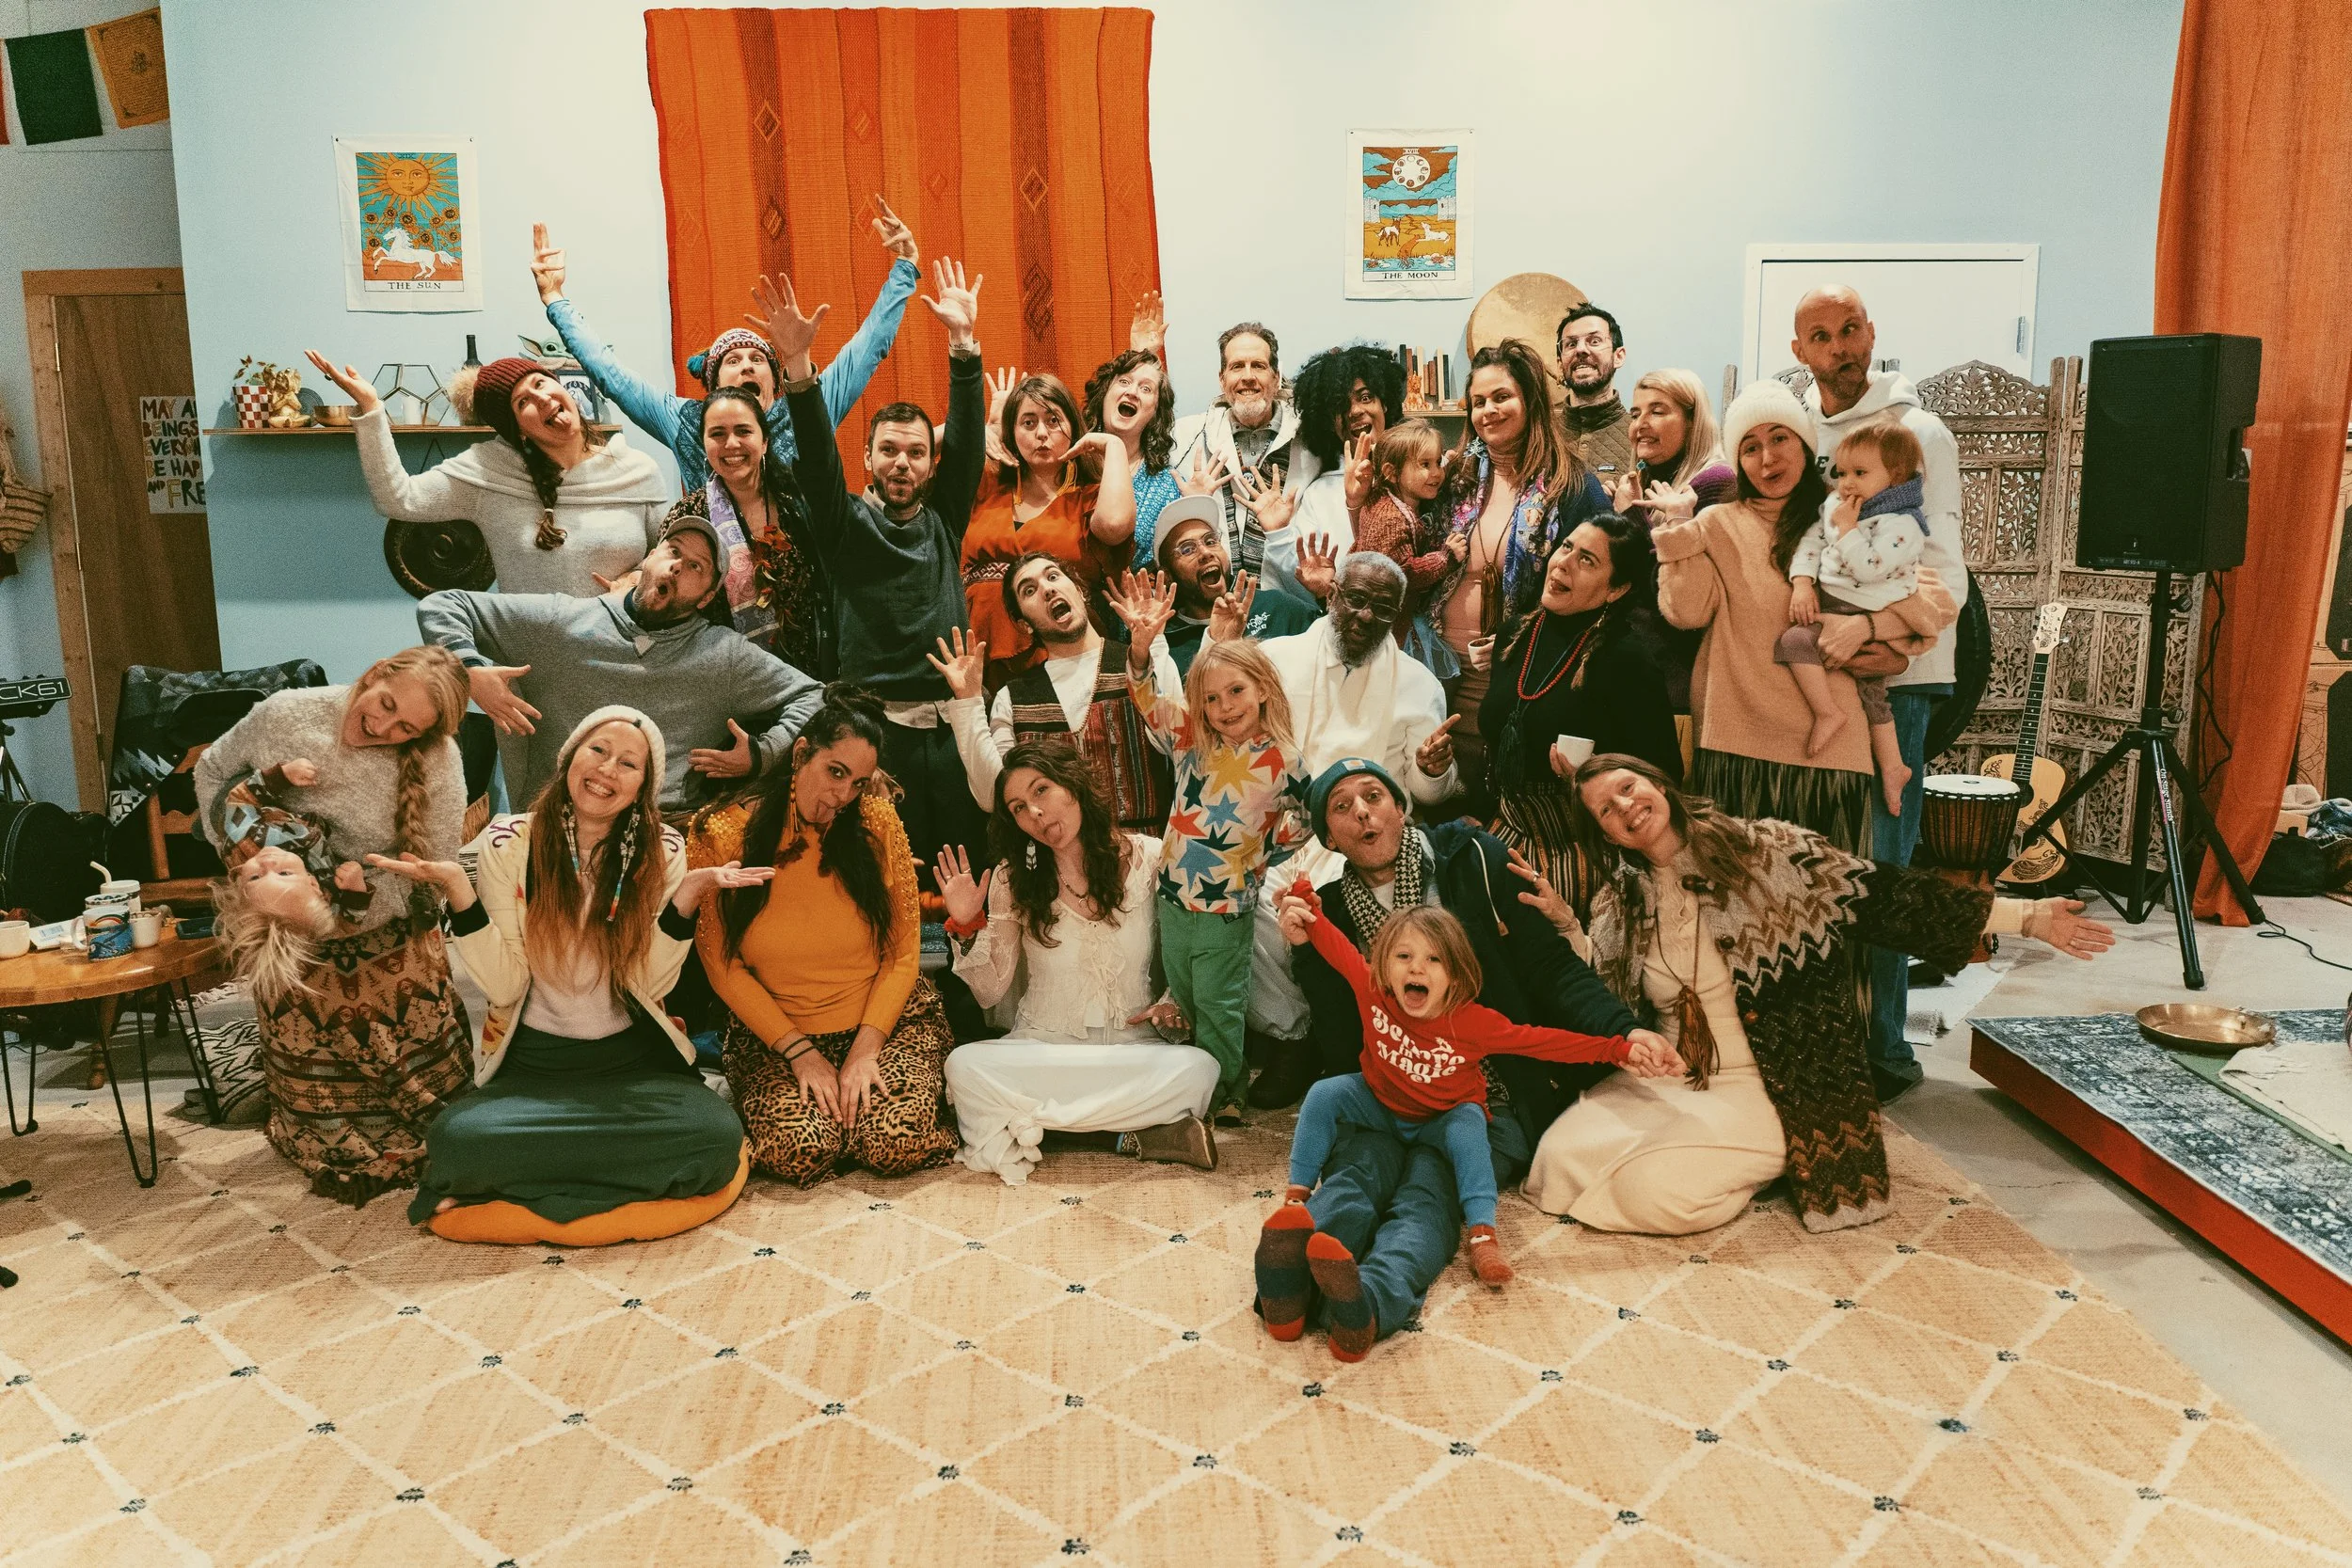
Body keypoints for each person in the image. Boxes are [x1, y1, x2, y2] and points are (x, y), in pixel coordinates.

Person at [1523, 755, 2113, 1235]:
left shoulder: (1765, 852)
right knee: (1559, 1158)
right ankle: (1713, 1150)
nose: (1626, 807)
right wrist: (1567, 928)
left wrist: (2028, 916)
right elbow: (1605, 993)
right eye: (1606, 808)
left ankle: (1778, 1149)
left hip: (1776, 1079)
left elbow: (1887, 897)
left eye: (1629, 787)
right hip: (1677, 1077)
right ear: (1601, 830)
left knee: (1653, 1193)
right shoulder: (1621, 899)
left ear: (1659, 784)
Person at [1256, 756, 1651, 1350]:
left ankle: (1371, 1300)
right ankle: (1286, 1285)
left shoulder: (1474, 861)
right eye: (1341, 807)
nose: (1362, 812)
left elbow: (1549, 968)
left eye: (1373, 796)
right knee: (1355, 1176)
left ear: (1400, 804)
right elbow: (1340, 1043)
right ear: (1329, 836)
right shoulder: (1331, 911)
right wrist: (1305, 952)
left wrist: (1623, 1033)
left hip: (1482, 1100)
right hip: (1390, 1089)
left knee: (1427, 1194)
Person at [363, 708, 768, 1243]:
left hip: (633, 1066)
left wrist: (687, 897)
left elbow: (649, 984)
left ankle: (527, 1191)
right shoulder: (509, 841)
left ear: (643, 785)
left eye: (629, 763)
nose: (607, 770)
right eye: (597, 750)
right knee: (455, 1140)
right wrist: (460, 896)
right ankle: (611, 1186)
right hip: (534, 1067)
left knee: (714, 1136)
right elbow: (505, 987)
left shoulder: (663, 848)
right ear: (570, 756)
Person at [1271, 891, 1661, 1319]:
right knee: (1325, 1093)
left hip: (1441, 1117)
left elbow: (1543, 1042)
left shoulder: (1473, 1022)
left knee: (1471, 1122)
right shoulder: (1372, 991)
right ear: (1383, 966)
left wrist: (1616, 1048)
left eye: (1434, 960)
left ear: (1455, 977)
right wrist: (1313, 911)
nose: (1417, 967)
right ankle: (1296, 1200)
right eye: (1403, 956)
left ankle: (1482, 1234)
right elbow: (1336, 947)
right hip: (1381, 1104)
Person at [194, 645, 475, 1208]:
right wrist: (243, 852)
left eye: (405, 728)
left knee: (428, 1093)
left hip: (382, 915)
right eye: (386, 703)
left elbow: (430, 869)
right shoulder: (286, 714)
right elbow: (213, 773)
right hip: (286, 905)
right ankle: (310, 1123)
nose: (384, 726)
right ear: (374, 673)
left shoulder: (439, 760)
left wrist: (345, 911)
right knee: (296, 971)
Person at [1792, 285, 1969, 1103]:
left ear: (1873, 332)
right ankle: (1825, 1037)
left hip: (1902, 672)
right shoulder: (1797, 434)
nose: (1840, 347)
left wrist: (1874, 632)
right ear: (1801, 350)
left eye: (1851, 328)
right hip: (1813, 674)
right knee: (1819, 864)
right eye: (1821, 335)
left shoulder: (1916, 432)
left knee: (1882, 867)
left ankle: (1884, 1051)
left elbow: (1947, 569)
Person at [1651, 379, 1949, 858]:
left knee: (1825, 917)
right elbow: (1686, 612)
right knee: (1740, 914)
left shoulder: (1849, 512)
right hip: (1736, 745)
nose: (1768, 458)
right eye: (1750, 447)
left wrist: (1867, 628)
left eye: (1780, 438)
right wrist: (1673, 530)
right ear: (1737, 460)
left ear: (1806, 443)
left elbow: (1934, 606)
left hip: (1832, 756)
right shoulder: (1717, 523)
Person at [691, 686, 959, 1184]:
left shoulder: (876, 821)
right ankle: (826, 1122)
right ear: (800, 753)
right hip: (777, 1037)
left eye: (858, 782)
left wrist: (865, 1049)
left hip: (888, 1024)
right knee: (801, 1151)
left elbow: (903, 954)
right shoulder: (723, 833)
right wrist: (800, 1054)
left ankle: (875, 1121)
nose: (843, 795)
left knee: (895, 1142)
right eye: (835, 772)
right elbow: (721, 964)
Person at [774, 260, 991, 874]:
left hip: (952, 726)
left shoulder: (946, 518)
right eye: (889, 450)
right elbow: (816, 460)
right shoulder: (843, 525)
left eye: (916, 452)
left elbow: (970, 442)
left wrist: (963, 345)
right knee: (878, 875)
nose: (902, 462)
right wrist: (797, 369)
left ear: (931, 462)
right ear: (867, 458)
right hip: (869, 731)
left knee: (958, 871)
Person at [935, 739, 1221, 1184]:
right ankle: (1124, 1135)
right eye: (1017, 807)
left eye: (1041, 790)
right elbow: (991, 991)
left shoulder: (1151, 856)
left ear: (1073, 783)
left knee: (1200, 1069)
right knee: (964, 1066)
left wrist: (1171, 1002)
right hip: (1042, 1050)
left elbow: (1184, 958)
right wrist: (968, 924)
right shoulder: (1014, 879)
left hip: (1135, 1052)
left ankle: (1043, 1128)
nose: (1034, 813)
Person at [416, 513, 823, 812]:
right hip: (556, 822)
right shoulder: (564, 621)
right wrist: (467, 670)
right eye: (673, 552)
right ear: (649, 557)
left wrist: (761, 753)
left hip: (664, 830)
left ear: (706, 597)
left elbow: (815, 697)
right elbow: (443, 605)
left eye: (696, 567)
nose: (678, 565)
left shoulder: (724, 655)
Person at [1241, 550, 1464, 1094]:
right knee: (1239, 900)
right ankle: (1292, 1037)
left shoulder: (1417, 683)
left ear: (1396, 615)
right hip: (1282, 829)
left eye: (1381, 608)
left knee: (1322, 908)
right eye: (1355, 600)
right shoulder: (1275, 659)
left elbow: (1423, 790)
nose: (1364, 616)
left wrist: (1435, 769)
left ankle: (1346, 1042)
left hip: (1370, 839)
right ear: (1332, 594)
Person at [529, 204, 920, 488]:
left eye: (758, 359)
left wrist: (905, 267)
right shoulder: (684, 421)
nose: (747, 366)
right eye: (733, 360)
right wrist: (555, 300)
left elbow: (868, 350)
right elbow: (610, 375)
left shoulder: (807, 412)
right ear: (714, 382)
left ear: (775, 378)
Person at [1110, 576, 1311, 1115]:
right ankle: (1196, 1081)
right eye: (1213, 698)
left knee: (1222, 1004)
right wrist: (1138, 647)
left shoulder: (1284, 759)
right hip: (1173, 896)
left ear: (1263, 688)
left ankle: (1225, 1093)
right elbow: (1151, 700)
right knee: (1187, 997)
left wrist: (1268, 847)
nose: (1224, 707)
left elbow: (1315, 816)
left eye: (1236, 692)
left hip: (1228, 905)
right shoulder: (1195, 740)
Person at [309, 351, 668, 598]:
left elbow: (668, 554)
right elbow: (397, 498)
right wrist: (371, 409)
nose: (540, 399)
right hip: (531, 663)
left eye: (540, 384)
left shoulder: (636, 470)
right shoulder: (490, 469)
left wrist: (637, 578)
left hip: (629, 649)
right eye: (522, 402)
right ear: (518, 431)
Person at [1425, 341, 1611, 807]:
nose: (1489, 410)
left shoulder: (1572, 484)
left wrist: (1520, 636)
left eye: (1502, 397)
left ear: (1529, 399)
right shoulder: (1455, 478)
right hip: (1440, 678)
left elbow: (1600, 587)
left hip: (1521, 680)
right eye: (1479, 402)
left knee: (1505, 810)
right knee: (1445, 803)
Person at [1480, 514, 1682, 916]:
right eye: (1567, 547)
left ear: (1616, 589)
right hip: (1507, 829)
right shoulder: (1515, 634)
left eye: (1587, 560)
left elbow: (1665, 778)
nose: (1563, 563)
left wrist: (1591, 782)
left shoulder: (1627, 660)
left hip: (1584, 847)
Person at [934, 552, 1179, 835]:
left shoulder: (1136, 662)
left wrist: (1155, 646)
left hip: (1149, 864)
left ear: (1079, 590)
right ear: (1024, 624)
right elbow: (993, 796)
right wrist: (969, 703)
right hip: (1061, 872)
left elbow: (1178, 740)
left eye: (1053, 576)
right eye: (1029, 590)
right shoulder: (1012, 698)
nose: (1047, 589)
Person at [1781, 419, 1933, 814]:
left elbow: (1870, 568)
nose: (1846, 483)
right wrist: (1801, 581)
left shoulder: (1904, 525)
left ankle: (1830, 716)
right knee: (1871, 695)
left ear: (1896, 476)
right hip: (1832, 601)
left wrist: (1847, 530)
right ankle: (1894, 767)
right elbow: (1813, 539)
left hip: (1872, 606)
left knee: (1798, 644)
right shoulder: (1839, 506)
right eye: (1842, 472)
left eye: (1860, 473)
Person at [965, 371, 1135, 681]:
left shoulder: (1089, 496)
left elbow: (1114, 525)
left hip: (1069, 665)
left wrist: (1114, 446)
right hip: (981, 666)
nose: (1042, 433)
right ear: (1013, 433)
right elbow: (918, 454)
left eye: (1053, 420)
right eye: (1028, 423)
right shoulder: (991, 485)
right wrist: (987, 430)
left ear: (1073, 426)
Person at [662, 385, 831, 676]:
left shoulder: (800, 504)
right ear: (703, 444)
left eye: (743, 431)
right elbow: (670, 602)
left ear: (765, 441)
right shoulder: (688, 517)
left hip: (813, 679)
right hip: (728, 681)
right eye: (717, 434)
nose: (731, 444)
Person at [1613, 369, 1738, 712]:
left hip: (1682, 677)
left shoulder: (1716, 483)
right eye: (1635, 413)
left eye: (1658, 410)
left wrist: (1630, 517)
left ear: (1692, 420)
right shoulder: (1652, 478)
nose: (1641, 423)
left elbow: (1672, 597)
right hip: (1644, 666)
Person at [207, 761, 375, 1006]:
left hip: (247, 812)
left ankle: (204, 827)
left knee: (225, 807)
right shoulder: (317, 906)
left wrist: (281, 776)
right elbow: (349, 923)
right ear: (314, 886)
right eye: (284, 874)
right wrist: (357, 887)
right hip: (303, 832)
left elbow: (240, 798)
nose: (268, 864)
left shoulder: (244, 840)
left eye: (255, 877)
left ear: (241, 878)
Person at [1168, 322, 1303, 584]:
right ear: (1222, 379)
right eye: (1237, 366)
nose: (1248, 376)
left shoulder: (1308, 439)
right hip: (1214, 599)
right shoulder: (1186, 435)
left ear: (1276, 378)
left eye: (1259, 366)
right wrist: (1193, 507)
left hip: (1290, 597)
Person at [1280, 342, 1406, 591]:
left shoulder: (1423, 471)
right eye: (1340, 406)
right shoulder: (1318, 496)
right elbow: (1304, 575)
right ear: (1329, 423)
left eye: (1366, 397)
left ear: (1386, 405)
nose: (1355, 411)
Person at [1151, 498, 1320, 675]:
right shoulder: (1168, 645)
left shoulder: (1274, 606)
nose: (1206, 553)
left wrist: (1325, 594)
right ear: (1168, 575)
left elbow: (1332, 646)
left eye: (1210, 541)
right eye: (1187, 549)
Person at [1349, 419, 1458, 677]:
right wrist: (1445, 559)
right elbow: (1400, 573)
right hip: (1388, 627)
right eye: (1425, 465)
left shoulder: (1393, 498)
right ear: (1391, 472)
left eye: (1438, 462)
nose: (1436, 473)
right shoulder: (1391, 517)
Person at [1084, 343, 1188, 563]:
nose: (1132, 392)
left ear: (1155, 412)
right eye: (1124, 381)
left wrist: (1196, 508)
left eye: (1146, 389)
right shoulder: (1068, 462)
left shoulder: (1168, 485)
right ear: (1104, 394)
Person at [1555, 304, 1634, 483]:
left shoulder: (1640, 435)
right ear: (1560, 364)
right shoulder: (1540, 434)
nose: (1580, 350)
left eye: (1595, 341)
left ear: (1618, 356)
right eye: (1571, 344)